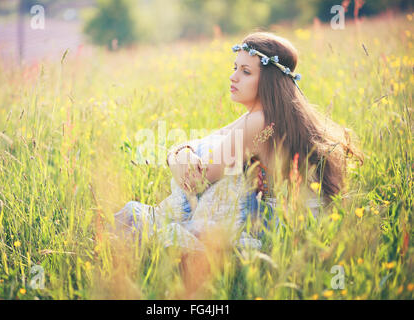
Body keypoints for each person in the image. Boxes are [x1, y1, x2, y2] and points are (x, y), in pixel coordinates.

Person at [112, 31, 363, 251]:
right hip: (286, 224)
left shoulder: (261, 122)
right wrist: (181, 152)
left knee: (141, 221)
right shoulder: (266, 116)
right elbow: (209, 140)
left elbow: (198, 182)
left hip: (274, 230)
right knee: (213, 165)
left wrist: (180, 156)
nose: (233, 77)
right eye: (235, 68)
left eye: (245, 72)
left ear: (269, 81)